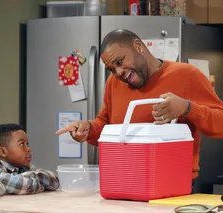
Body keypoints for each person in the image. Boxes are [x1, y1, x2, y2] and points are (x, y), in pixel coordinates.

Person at [56, 29, 223, 180]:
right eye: (112, 69)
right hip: (124, 180)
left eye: (120, 62)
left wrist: (187, 108)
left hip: (173, 183)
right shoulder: (113, 84)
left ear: (138, 46)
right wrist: (88, 128)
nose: (118, 73)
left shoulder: (187, 75)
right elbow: (105, 125)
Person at [0, 123, 60, 195]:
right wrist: (41, 184)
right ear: (3, 151)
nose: (28, 149)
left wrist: (29, 178)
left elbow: (54, 181)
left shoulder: (23, 167)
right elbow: (25, 186)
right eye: (21, 144)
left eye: (27, 144)